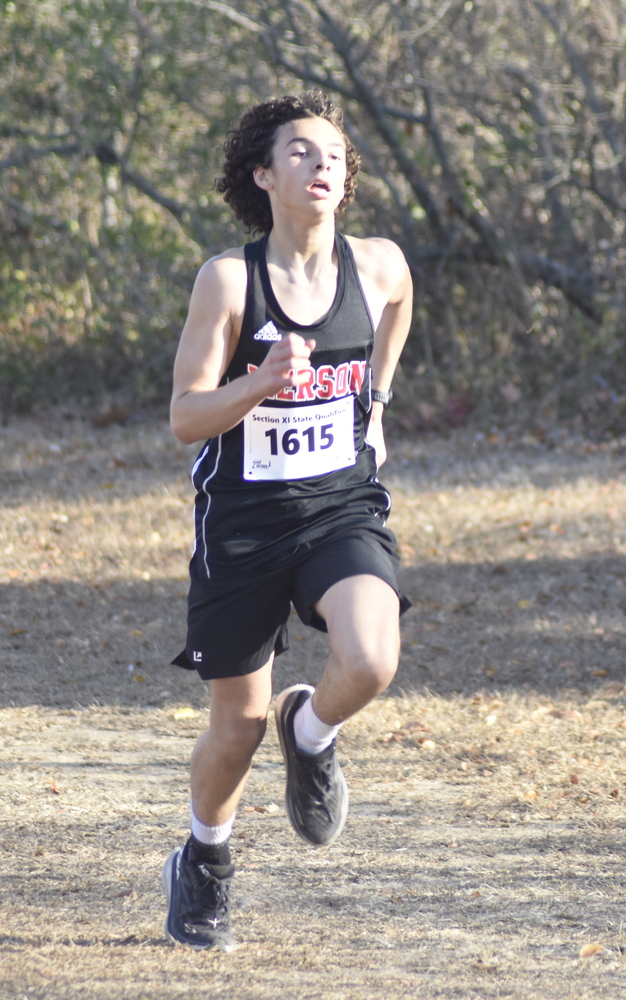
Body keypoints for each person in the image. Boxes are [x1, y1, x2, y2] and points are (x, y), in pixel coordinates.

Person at [162, 91, 412, 951]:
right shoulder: (229, 280)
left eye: (335, 154)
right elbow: (186, 418)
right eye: (301, 152)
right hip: (242, 521)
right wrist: (259, 384)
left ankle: (310, 730)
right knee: (232, 728)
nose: (323, 165)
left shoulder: (376, 266)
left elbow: (400, 309)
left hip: (340, 503)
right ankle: (205, 860)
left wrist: (375, 399)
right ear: (263, 174)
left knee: (373, 658)